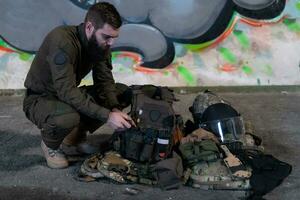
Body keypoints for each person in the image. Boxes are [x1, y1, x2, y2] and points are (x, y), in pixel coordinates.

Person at [23, 2, 135, 169]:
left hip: (64, 95)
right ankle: (50, 145)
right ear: (89, 27)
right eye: (107, 36)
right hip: (40, 99)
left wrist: (114, 108)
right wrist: (107, 116)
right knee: (68, 118)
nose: (111, 43)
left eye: (114, 37)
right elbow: (66, 91)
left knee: (121, 92)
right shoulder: (62, 41)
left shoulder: (101, 44)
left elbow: (104, 81)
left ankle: (73, 138)